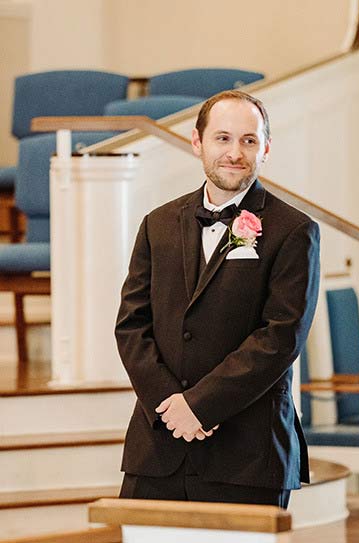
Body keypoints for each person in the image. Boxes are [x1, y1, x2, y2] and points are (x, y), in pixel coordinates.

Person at [115, 89, 320, 507]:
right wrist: (169, 406)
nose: (235, 152)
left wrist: (201, 407)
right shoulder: (157, 224)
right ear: (197, 142)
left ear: (265, 148)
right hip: (158, 448)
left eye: (249, 140)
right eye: (222, 138)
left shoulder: (293, 230)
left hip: (248, 454)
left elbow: (280, 337)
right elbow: (132, 325)